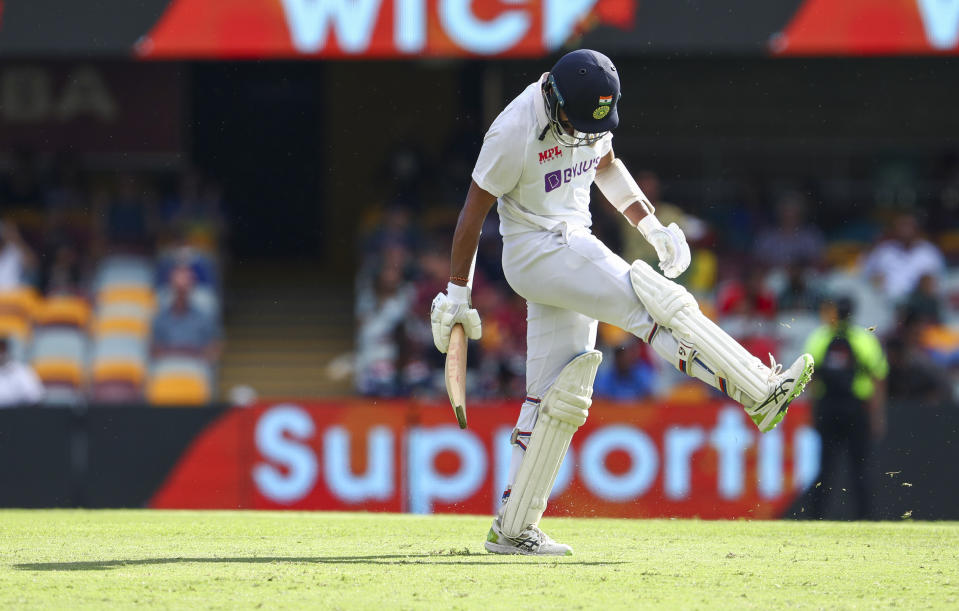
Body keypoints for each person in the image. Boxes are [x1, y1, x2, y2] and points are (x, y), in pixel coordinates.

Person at [429, 49, 815, 555]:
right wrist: (458, 294)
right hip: (535, 249)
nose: (588, 131)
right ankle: (759, 390)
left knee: (559, 396)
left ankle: (514, 528)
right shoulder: (512, 131)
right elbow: (472, 213)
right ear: (555, 99)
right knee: (653, 300)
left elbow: (607, 166)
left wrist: (651, 226)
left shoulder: (587, 109)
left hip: (572, 241)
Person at [803, 297, 887, 520]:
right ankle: (865, 518)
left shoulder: (820, 337)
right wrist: (877, 416)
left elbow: (808, 378)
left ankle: (816, 517)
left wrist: (813, 412)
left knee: (825, 468)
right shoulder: (864, 339)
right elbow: (878, 377)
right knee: (859, 468)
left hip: (828, 407)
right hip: (856, 408)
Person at [861, 212, 944, 301]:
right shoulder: (883, 250)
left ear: (917, 228)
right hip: (886, 303)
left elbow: (939, 280)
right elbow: (864, 274)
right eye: (901, 226)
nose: (904, 230)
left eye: (908, 225)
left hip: (919, 303)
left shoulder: (929, 251)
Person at [151, 265, 221, 361]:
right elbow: (154, 351)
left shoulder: (204, 318)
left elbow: (214, 348)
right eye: (178, 289)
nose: (181, 293)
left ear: (192, 287)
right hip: (168, 368)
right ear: (171, 287)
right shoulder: (160, 319)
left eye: (184, 289)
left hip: (196, 368)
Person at [0, 335, 44, 407]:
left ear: (7, 350)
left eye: (2, 349)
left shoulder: (21, 371)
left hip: (18, 414)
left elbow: (36, 397)